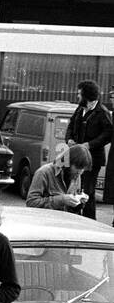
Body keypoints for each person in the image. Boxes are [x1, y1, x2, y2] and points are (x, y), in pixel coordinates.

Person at [64, 80, 112, 220]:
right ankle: (74, 218)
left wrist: (89, 145)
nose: (77, 96)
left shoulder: (102, 112)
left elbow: (108, 134)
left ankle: (89, 221)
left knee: (88, 191)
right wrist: (69, 139)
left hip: (92, 159)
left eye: (79, 94)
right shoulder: (79, 109)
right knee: (73, 188)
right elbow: (71, 125)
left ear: (87, 96)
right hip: (76, 156)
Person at [26, 144, 90, 213]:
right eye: (78, 167)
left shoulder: (76, 176)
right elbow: (31, 202)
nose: (80, 172)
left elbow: (72, 210)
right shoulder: (44, 172)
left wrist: (79, 202)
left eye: (83, 168)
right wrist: (61, 200)